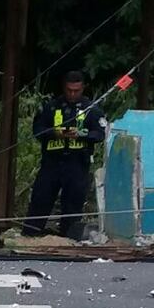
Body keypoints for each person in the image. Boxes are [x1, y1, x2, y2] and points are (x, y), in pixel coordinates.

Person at [21, 71, 107, 241]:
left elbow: (101, 134)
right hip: (52, 163)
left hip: (77, 163)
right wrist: (55, 133)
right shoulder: (51, 107)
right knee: (41, 198)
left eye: (76, 90)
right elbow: (38, 130)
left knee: (73, 203)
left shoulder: (91, 110)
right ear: (64, 88)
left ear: (83, 88)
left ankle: (68, 238)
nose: (72, 94)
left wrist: (82, 134)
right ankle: (30, 234)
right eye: (69, 90)